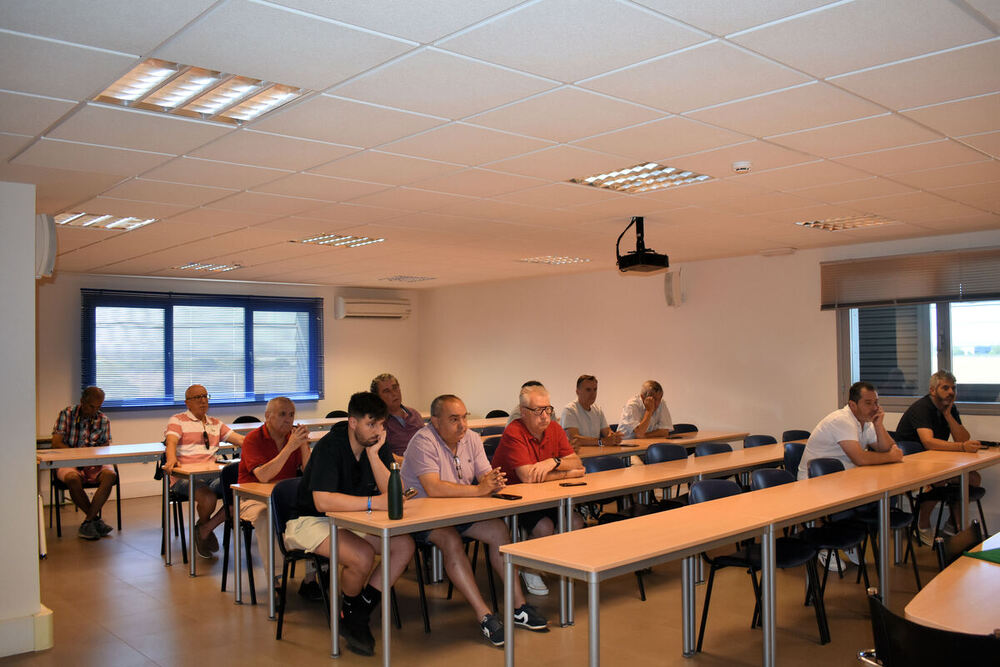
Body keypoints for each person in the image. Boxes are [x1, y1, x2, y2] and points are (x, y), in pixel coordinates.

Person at [401, 394, 548, 646]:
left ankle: (519, 607)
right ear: (435, 422)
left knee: (499, 530)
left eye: (464, 418)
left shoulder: (470, 439)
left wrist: (494, 482)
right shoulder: (422, 442)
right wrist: (479, 489)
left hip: (459, 510)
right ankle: (485, 615)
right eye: (454, 419)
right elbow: (434, 488)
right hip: (419, 517)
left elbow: (484, 474)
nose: (463, 425)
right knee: (449, 539)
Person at [284, 392, 415, 657]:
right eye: (371, 425)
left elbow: (395, 491)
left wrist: (375, 454)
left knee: (403, 545)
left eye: (382, 425)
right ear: (353, 422)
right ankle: (353, 613)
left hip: (351, 519)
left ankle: (357, 611)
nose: (378, 431)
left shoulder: (375, 443)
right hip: (310, 520)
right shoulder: (331, 446)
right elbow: (322, 502)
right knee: (362, 556)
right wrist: (371, 503)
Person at [492, 384, 584, 595]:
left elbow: (576, 461)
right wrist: (567, 473)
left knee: (576, 521)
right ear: (524, 413)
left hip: (545, 494)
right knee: (544, 526)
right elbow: (528, 476)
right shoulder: (514, 431)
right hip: (513, 497)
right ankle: (528, 566)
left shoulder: (554, 428)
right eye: (538, 411)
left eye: (548, 409)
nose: (545, 416)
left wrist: (553, 461)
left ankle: (549, 560)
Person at [894, 370, 982, 543]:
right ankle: (922, 525)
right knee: (940, 480)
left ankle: (953, 527)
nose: (951, 392)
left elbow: (963, 438)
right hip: (910, 464)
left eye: (953, 388)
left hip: (933, 461)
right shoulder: (922, 408)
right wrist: (962, 447)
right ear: (933, 390)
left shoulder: (949, 407)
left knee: (972, 479)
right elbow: (929, 442)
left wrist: (948, 415)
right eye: (945, 388)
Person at [237, 396, 313, 596]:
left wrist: (304, 445)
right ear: (267, 416)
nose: (288, 420)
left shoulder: (293, 439)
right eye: (282, 414)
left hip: (283, 498)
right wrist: (290, 448)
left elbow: (309, 473)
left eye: (291, 415)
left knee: (315, 512)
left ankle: (313, 578)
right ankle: (276, 579)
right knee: (266, 516)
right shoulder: (253, 439)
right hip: (252, 498)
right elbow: (263, 476)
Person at [164, 384, 245, 558]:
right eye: (197, 397)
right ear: (187, 403)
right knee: (207, 498)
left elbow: (240, 440)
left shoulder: (215, 423)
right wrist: (171, 459)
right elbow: (171, 442)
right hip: (184, 478)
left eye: (205, 396)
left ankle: (204, 528)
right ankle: (205, 529)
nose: (202, 400)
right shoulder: (177, 420)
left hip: (211, 475)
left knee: (238, 494)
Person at [797, 381, 902, 481]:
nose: (875, 408)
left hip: (842, 476)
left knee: (882, 485)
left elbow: (886, 448)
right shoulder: (842, 420)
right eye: (868, 403)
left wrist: (879, 426)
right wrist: (891, 457)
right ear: (852, 405)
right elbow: (860, 459)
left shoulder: (866, 421)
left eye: (876, 403)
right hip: (816, 480)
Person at [51, 386, 117, 540]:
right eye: (91, 406)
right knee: (73, 479)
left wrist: (90, 459)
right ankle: (94, 520)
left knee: (110, 475)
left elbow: (104, 448)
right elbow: (56, 443)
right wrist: (78, 457)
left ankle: (88, 521)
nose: (94, 411)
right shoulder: (66, 414)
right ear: (82, 402)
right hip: (68, 460)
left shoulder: (103, 420)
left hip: (94, 461)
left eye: (98, 407)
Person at [561, 374, 623, 451]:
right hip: (580, 456)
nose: (593, 393)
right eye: (588, 390)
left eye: (595, 389)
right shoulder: (569, 410)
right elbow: (574, 438)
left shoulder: (597, 410)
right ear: (577, 392)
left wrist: (614, 436)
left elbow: (607, 432)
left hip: (597, 454)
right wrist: (602, 441)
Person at [371, 373, 423, 462]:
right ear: (377, 397)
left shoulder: (414, 414)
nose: (394, 393)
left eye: (395, 388)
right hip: (401, 468)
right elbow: (384, 455)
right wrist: (412, 463)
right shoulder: (378, 422)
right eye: (387, 391)